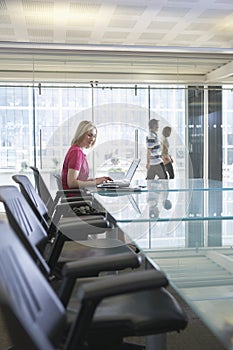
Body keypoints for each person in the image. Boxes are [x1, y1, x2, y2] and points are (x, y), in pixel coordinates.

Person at [62, 120, 113, 189]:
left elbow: (79, 180)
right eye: (89, 135)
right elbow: (72, 183)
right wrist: (95, 183)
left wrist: (97, 180)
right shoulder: (76, 152)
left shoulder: (76, 150)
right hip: (77, 197)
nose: (92, 139)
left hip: (79, 195)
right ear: (81, 134)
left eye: (94, 136)